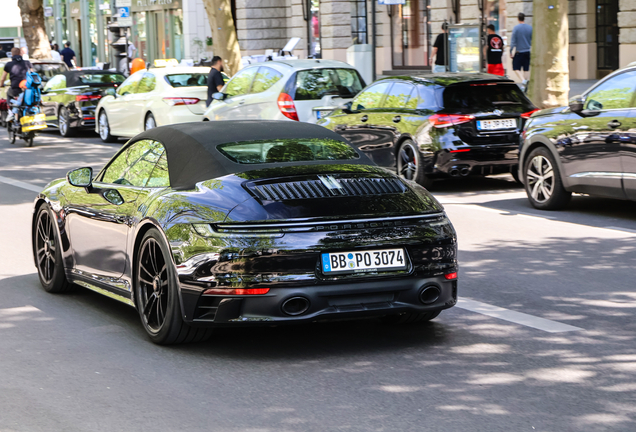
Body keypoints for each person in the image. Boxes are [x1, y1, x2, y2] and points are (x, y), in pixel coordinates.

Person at [0, 47, 33, 121]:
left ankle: (11, 113)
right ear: (20, 53)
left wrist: (1, 84)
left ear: (12, 54)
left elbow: (3, 78)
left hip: (15, 88)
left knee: (8, 94)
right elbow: (32, 74)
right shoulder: (27, 63)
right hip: (27, 88)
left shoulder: (9, 64)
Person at [510, 13, 532, 84]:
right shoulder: (530, 28)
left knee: (515, 67)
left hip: (519, 52)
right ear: (524, 18)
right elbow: (532, 39)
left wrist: (511, 50)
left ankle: (523, 81)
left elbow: (513, 41)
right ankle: (525, 84)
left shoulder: (516, 28)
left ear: (518, 19)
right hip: (527, 51)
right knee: (526, 69)